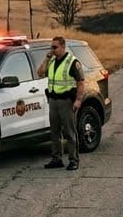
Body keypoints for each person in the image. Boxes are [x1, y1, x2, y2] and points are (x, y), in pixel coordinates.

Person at [36, 36, 86, 170]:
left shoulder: (72, 62)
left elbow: (80, 82)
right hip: (53, 101)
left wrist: (78, 100)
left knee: (69, 132)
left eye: (55, 47)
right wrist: (46, 58)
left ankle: (73, 160)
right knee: (54, 132)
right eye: (51, 47)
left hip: (66, 102)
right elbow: (40, 73)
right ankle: (56, 158)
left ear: (63, 47)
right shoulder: (51, 61)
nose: (52, 49)